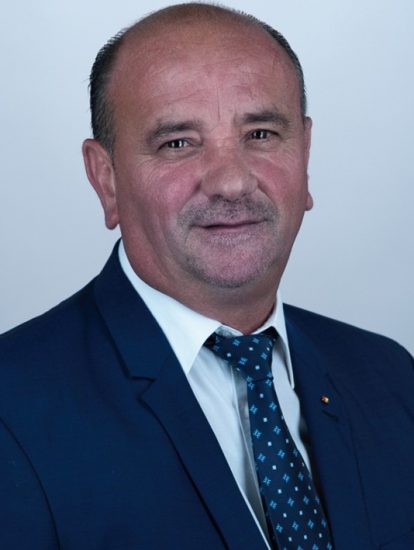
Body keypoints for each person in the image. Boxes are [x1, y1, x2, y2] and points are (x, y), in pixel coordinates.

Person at [1, 3, 413, 549]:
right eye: (178, 143)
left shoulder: (389, 376)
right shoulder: (12, 410)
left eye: (261, 133)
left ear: (305, 153)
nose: (232, 182)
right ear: (106, 179)